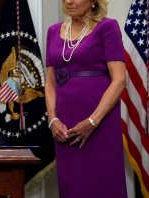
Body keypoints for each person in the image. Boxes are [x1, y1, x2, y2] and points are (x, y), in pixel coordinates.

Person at [45, 0, 127, 197]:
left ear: (93, 1)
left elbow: (119, 80)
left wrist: (93, 121)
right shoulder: (53, 31)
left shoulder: (107, 27)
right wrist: (52, 119)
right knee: (72, 187)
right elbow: (49, 82)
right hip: (65, 127)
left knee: (103, 185)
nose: (68, 1)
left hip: (100, 123)